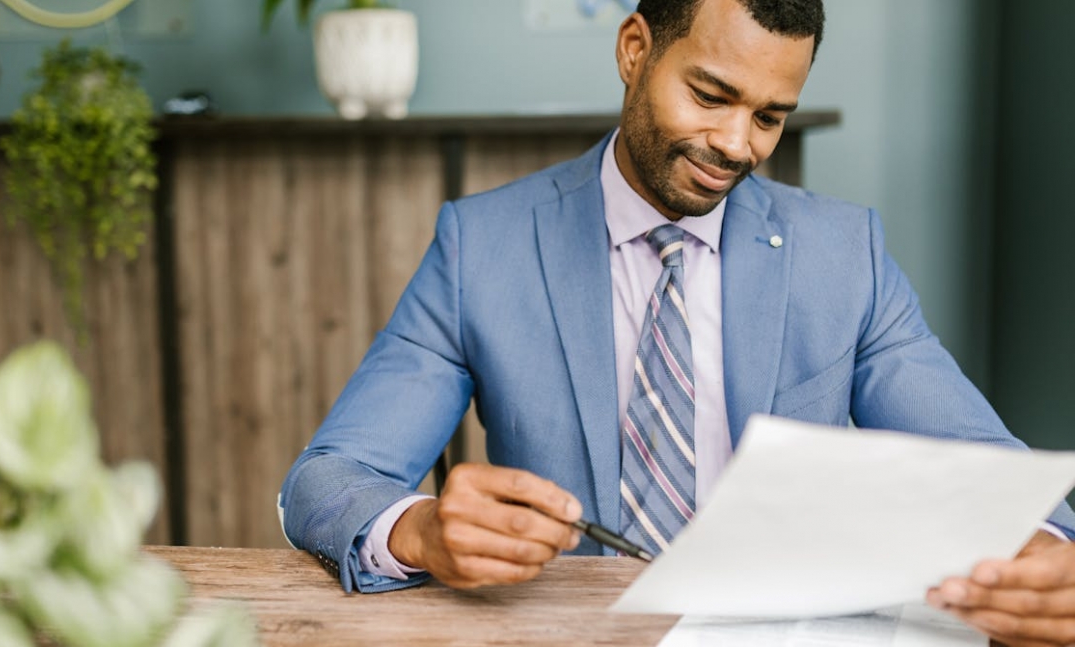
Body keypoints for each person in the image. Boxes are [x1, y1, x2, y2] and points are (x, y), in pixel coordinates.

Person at [278, 0, 1075, 644]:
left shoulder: (845, 255)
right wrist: (419, 528)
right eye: (711, 95)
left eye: (769, 117)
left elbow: (996, 472)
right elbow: (323, 480)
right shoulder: (484, 246)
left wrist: (1047, 552)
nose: (736, 145)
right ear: (634, 50)